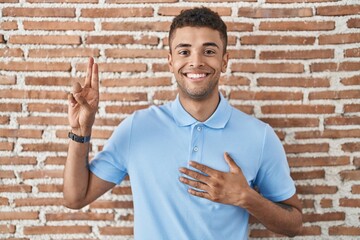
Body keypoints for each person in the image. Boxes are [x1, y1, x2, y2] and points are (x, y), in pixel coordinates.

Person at [63, 7, 302, 239]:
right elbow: (76, 198)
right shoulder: (137, 127)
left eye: (208, 51)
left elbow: (293, 224)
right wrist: (80, 131)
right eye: (184, 51)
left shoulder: (259, 136)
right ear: (170, 61)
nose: (196, 62)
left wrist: (246, 197)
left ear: (225, 60)